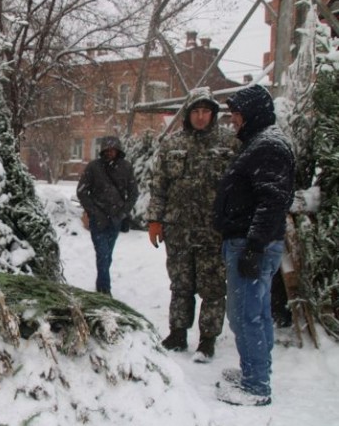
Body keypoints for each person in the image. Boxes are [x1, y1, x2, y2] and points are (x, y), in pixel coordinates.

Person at [213, 84, 295, 406]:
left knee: (245, 315)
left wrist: (252, 247)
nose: (233, 119)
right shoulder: (262, 143)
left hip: (252, 245)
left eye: (237, 114)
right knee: (256, 312)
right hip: (250, 242)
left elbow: (272, 202)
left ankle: (256, 386)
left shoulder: (268, 147)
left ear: (252, 113)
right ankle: (255, 371)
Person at [146, 87, 239, 362]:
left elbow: (239, 189)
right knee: (181, 284)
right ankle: (177, 333)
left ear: (213, 114)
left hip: (214, 231)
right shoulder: (172, 144)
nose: (201, 117)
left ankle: (207, 340)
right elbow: (159, 185)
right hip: (178, 229)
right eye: (196, 112)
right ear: (188, 114)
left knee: (212, 287)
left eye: (206, 112)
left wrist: (234, 224)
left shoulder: (230, 145)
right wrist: (155, 220)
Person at [77, 136, 138, 296]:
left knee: (107, 255)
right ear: (102, 150)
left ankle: (101, 283)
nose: (110, 153)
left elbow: (133, 193)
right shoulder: (93, 167)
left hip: (116, 219)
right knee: (102, 254)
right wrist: (94, 212)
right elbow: (82, 191)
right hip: (98, 220)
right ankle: (105, 289)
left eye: (113, 150)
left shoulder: (126, 167)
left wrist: (123, 212)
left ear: (118, 151)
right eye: (107, 150)